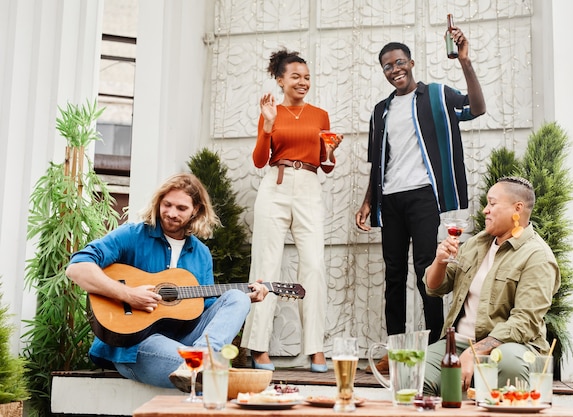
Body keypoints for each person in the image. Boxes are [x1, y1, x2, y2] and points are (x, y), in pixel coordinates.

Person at [356, 28, 486, 374]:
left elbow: (477, 108)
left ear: (411, 63)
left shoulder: (437, 96)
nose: (394, 69)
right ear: (383, 71)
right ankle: (394, 352)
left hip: (424, 196)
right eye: (387, 66)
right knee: (394, 277)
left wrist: (466, 63)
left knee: (429, 273)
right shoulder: (380, 111)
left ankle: (433, 352)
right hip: (391, 200)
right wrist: (369, 201)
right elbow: (378, 162)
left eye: (399, 62)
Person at [66, 173, 269, 389]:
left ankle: (200, 361)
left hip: (184, 342)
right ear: (158, 202)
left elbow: (205, 309)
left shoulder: (201, 254)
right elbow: (77, 268)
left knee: (237, 298)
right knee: (211, 378)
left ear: (196, 210)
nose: (171, 213)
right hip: (136, 346)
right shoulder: (133, 235)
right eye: (167, 205)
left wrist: (246, 301)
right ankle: (200, 366)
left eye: (181, 208)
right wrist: (128, 295)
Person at [240, 48, 342, 373]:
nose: (303, 82)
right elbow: (259, 160)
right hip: (276, 184)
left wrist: (329, 150)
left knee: (313, 265)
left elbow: (326, 166)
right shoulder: (270, 112)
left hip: (309, 186)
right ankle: (258, 347)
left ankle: (315, 349)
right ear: (280, 79)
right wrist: (268, 125)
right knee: (266, 264)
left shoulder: (320, 115)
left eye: (307, 77)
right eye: (295, 76)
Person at [422, 176, 561, 396]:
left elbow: (524, 323)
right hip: (459, 342)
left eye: (492, 203)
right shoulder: (476, 244)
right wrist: (439, 261)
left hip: (513, 346)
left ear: (518, 208)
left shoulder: (537, 256)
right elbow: (434, 288)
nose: (486, 210)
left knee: (509, 363)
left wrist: (473, 352)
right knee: (415, 370)